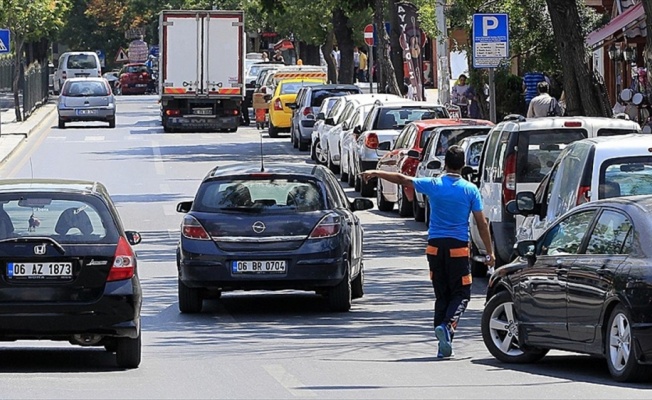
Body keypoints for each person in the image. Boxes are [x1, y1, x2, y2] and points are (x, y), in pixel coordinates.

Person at [361, 146, 495, 359]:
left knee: (441, 294)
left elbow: (403, 179)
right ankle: (447, 327)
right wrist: (489, 253)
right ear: (463, 165)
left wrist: (376, 173)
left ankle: (443, 343)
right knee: (461, 293)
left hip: (434, 248)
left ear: (445, 164)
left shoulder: (434, 184)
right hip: (458, 249)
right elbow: (481, 223)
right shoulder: (470, 189)